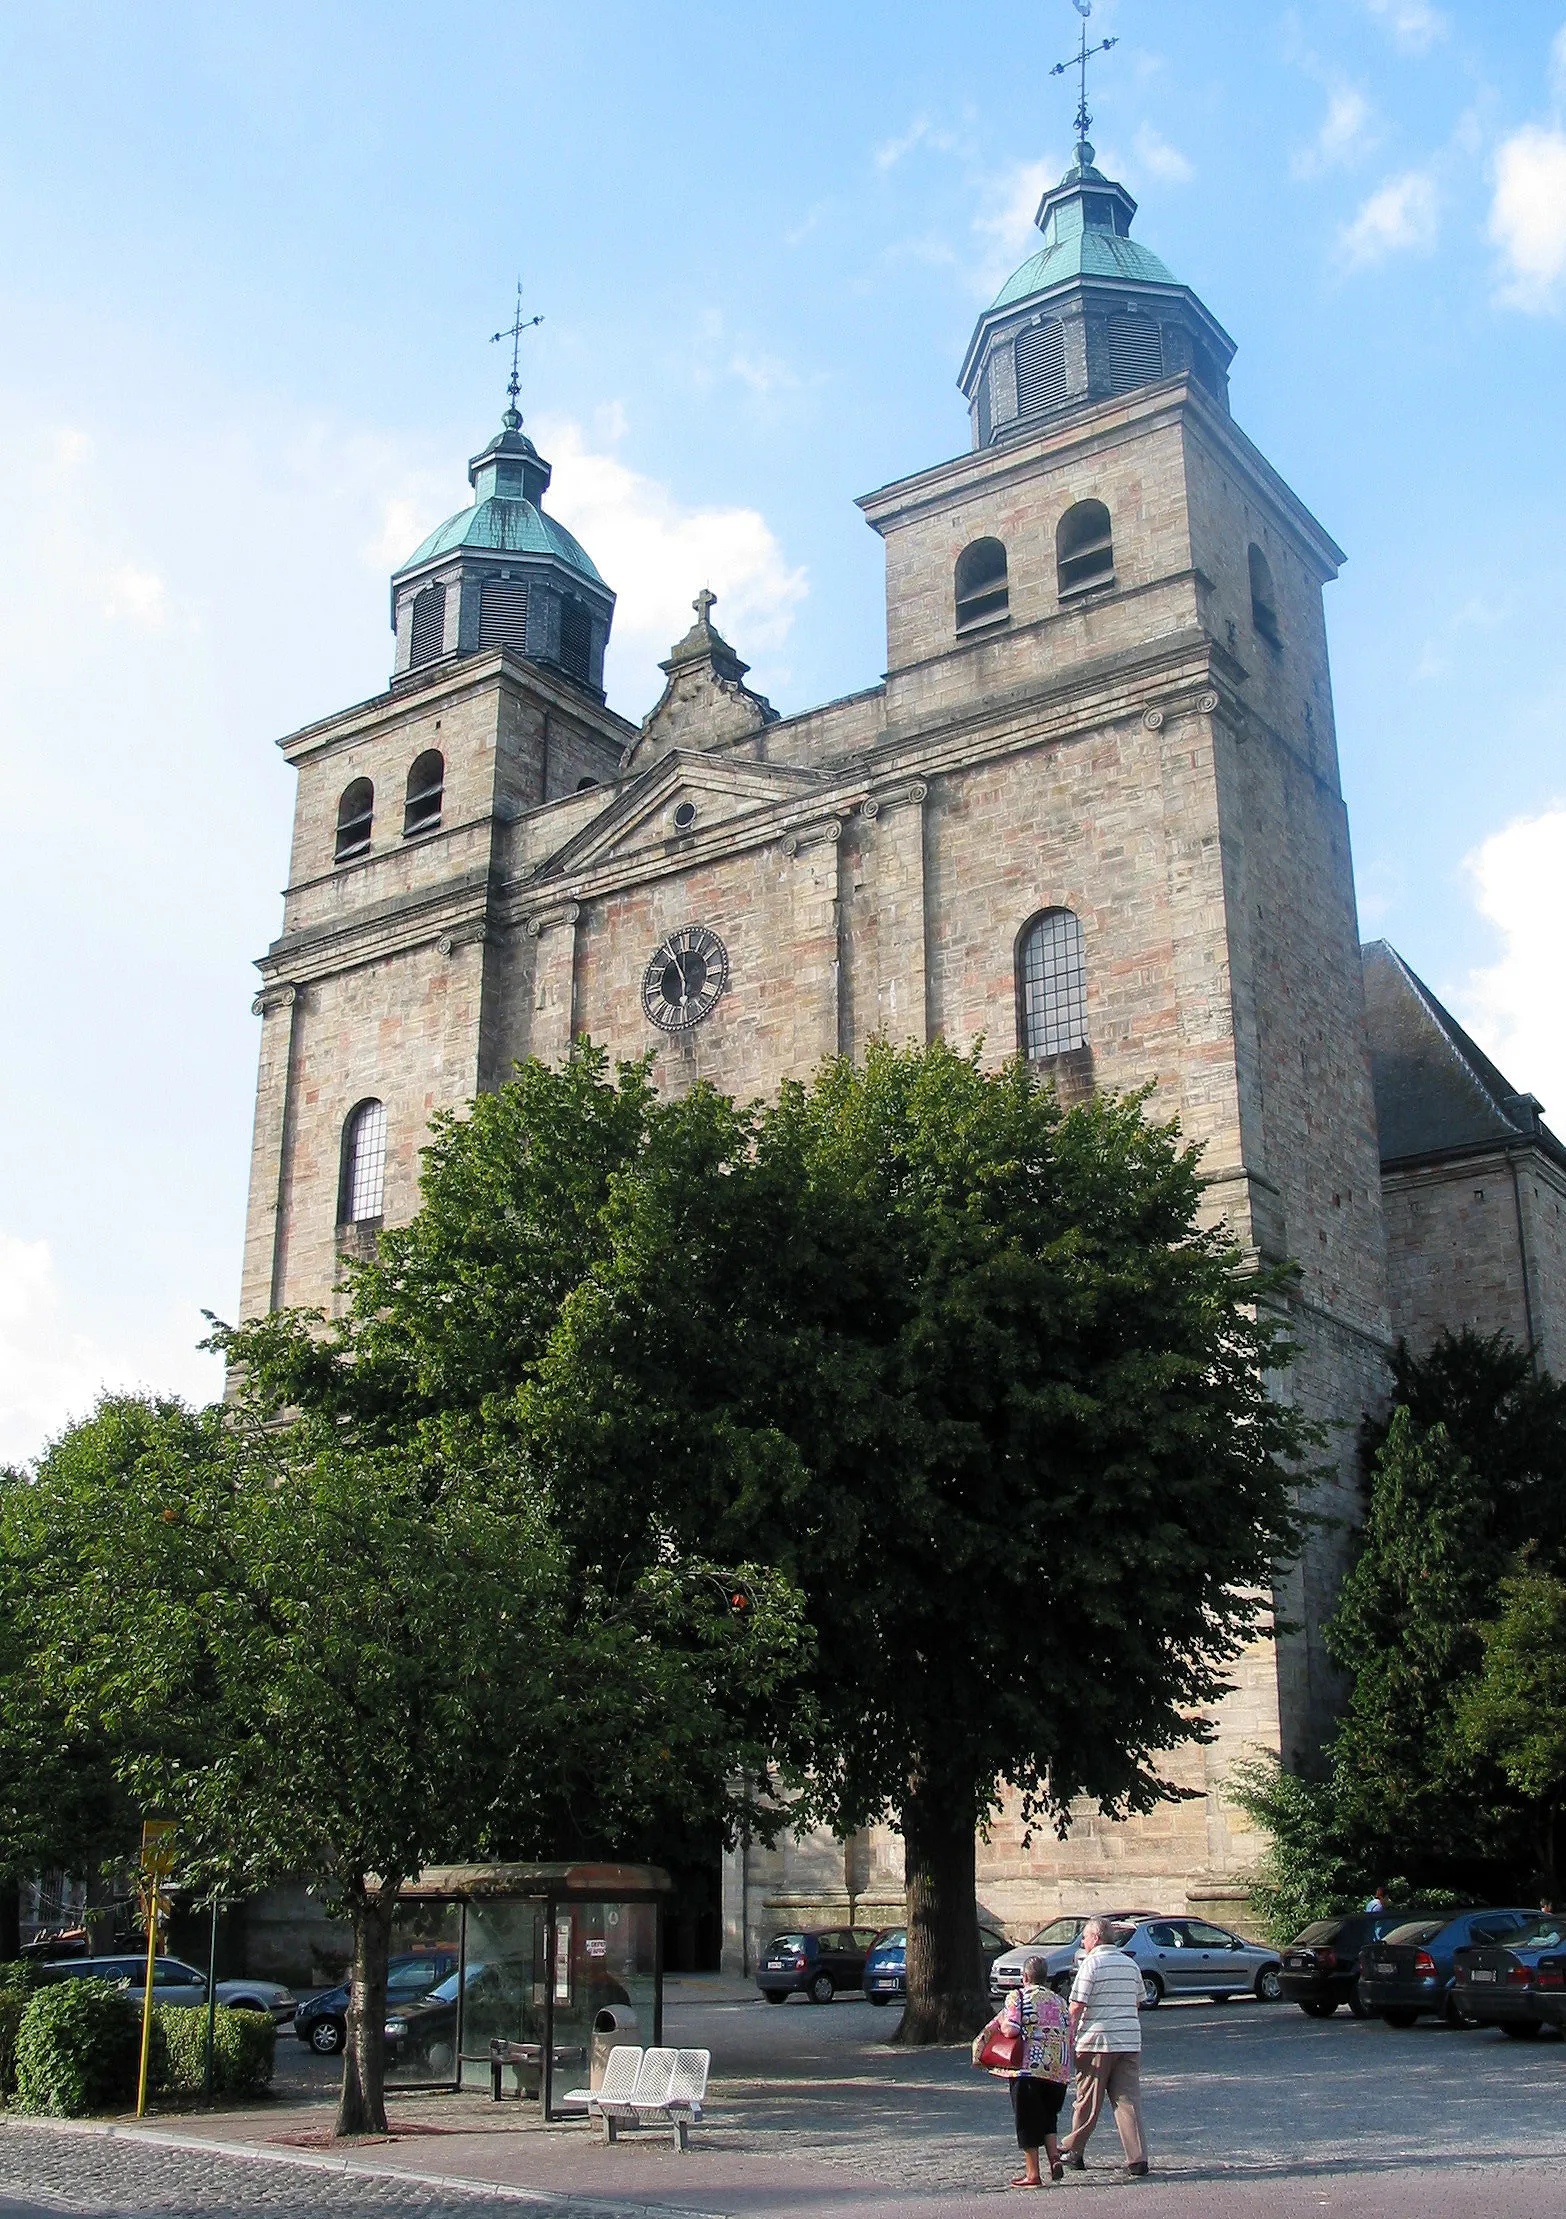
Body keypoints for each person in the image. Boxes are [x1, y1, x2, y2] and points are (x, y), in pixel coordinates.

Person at [1057, 1918, 1148, 2178]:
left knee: (1087, 2100)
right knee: (1127, 2100)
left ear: (1095, 1938)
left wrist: (1068, 2037)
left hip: (1097, 2042)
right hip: (1129, 2041)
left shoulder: (1091, 1965)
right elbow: (1137, 2002)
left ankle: (1073, 2150)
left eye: (1084, 1937)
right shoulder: (1130, 1964)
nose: (1083, 1942)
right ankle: (1137, 2158)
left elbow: (1076, 2007)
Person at [973, 1955, 1072, 2188]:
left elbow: (1011, 2030)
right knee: (1049, 2115)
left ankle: (1033, 2174)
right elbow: (1069, 2030)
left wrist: (1003, 2024)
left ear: (1025, 1977)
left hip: (1028, 2068)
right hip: (1058, 2069)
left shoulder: (1018, 1997)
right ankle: (1054, 2158)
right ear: (1045, 1977)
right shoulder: (1060, 2001)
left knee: (1027, 2120)